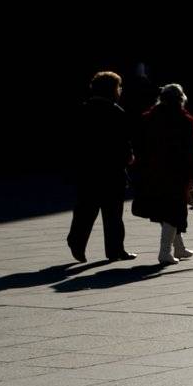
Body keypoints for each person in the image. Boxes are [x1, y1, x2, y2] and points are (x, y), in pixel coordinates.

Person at [131, 83, 193, 266]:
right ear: (181, 99)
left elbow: (139, 147)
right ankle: (165, 252)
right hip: (176, 173)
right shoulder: (186, 122)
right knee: (174, 211)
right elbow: (192, 153)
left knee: (166, 210)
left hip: (152, 171)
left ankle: (179, 248)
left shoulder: (148, 119)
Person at [66, 71, 135, 264]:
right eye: (119, 87)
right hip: (112, 171)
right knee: (113, 213)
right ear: (113, 89)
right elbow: (123, 141)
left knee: (85, 210)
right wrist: (128, 158)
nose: (120, 91)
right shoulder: (116, 112)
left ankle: (77, 242)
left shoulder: (82, 110)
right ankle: (115, 249)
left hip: (87, 170)